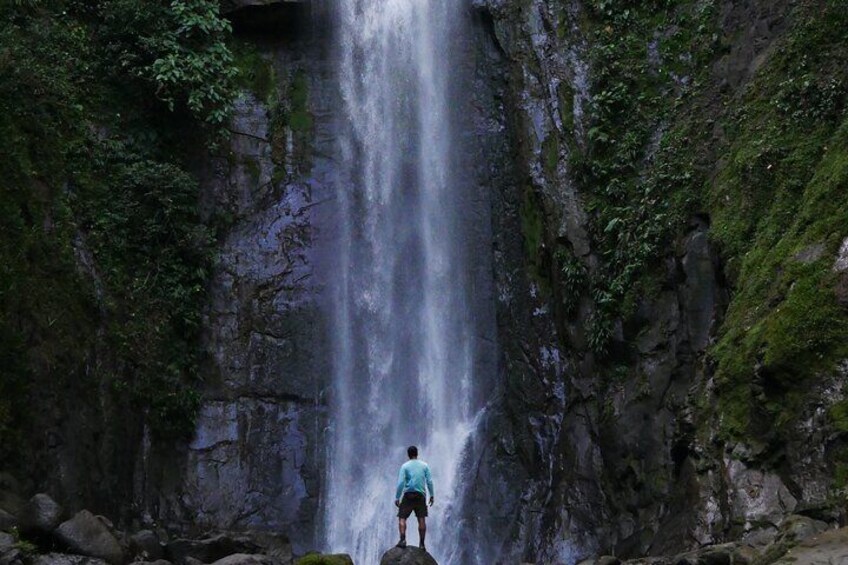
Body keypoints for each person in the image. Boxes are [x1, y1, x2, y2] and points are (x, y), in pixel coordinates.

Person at [394, 445, 434, 551]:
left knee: (402, 518)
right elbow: (429, 481)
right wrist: (432, 495)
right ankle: (422, 544)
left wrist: (397, 497)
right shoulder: (424, 466)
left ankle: (402, 540)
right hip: (421, 495)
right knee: (421, 519)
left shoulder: (405, 466)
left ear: (408, 455)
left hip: (408, 494)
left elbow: (401, 482)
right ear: (417, 454)